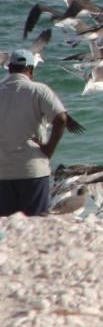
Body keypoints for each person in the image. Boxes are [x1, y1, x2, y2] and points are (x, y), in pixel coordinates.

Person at [0, 48, 64, 217]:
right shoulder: (38, 90)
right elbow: (61, 119)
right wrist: (49, 149)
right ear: (31, 70)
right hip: (33, 171)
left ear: (9, 67)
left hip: (3, 173)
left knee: (6, 230)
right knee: (35, 224)